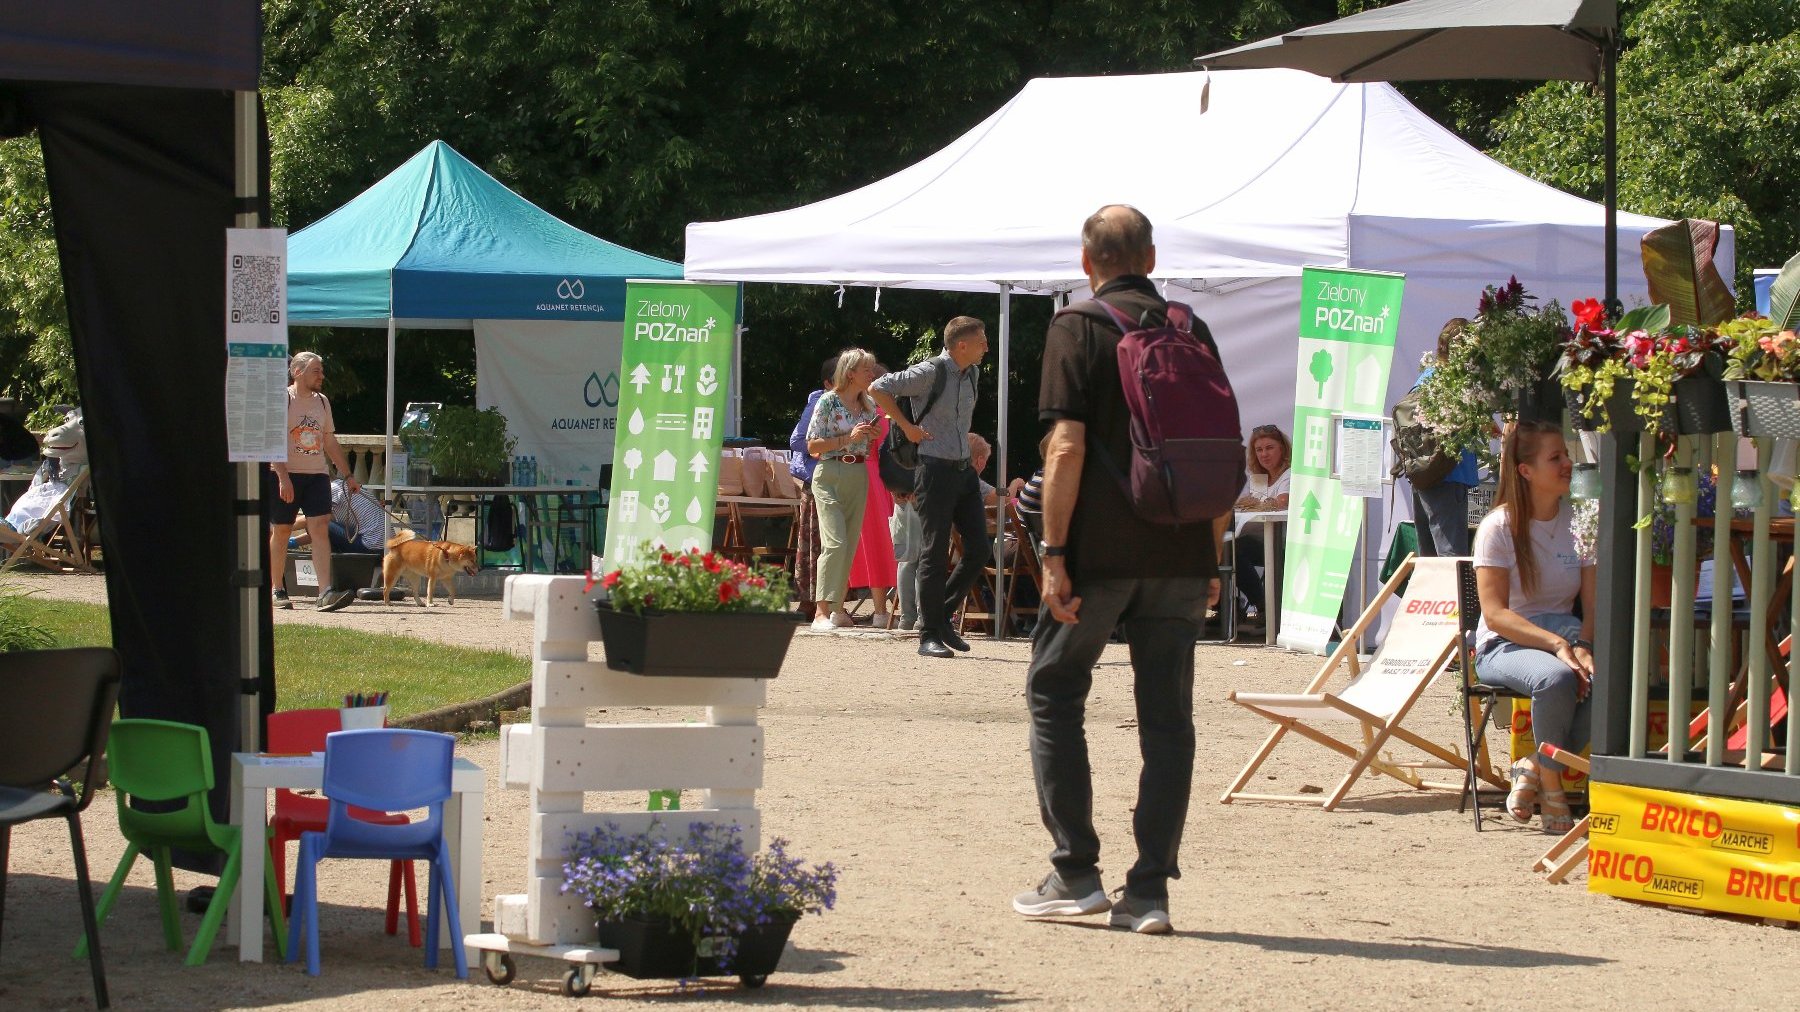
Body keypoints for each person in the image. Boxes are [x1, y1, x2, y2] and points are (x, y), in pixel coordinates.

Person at [1012, 204, 1219, 935]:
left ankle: (1074, 873)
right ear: (1152, 259)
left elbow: (1064, 448)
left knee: (1054, 690)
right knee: (1168, 721)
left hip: (1101, 552)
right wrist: (1211, 554)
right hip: (1182, 551)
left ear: (1085, 260)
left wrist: (1054, 555)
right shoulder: (1190, 329)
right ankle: (1150, 891)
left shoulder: (1079, 326)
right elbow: (1209, 447)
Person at [1473, 418, 1595, 836]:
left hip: (1566, 636)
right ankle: (1554, 788)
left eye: (1566, 455)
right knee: (1557, 678)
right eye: (1556, 457)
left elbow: (1592, 607)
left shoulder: (1581, 520)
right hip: (1504, 646)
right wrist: (1560, 644)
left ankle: (1534, 766)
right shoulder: (1498, 527)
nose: (1567, 464)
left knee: (1608, 680)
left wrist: (1585, 645)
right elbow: (1495, 615)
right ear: (1525, 471)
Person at [870, 316, 990, 659]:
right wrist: (906, 426)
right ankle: (928, 633)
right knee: (934, 552)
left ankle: (939, 618)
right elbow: (879, 387)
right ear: (961, 345)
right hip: (934, 470)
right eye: (981, 340)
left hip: (964, 470)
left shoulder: (974, 373)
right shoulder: (930, 371)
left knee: (980, 549)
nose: (986, 347)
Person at [269, 352, 359, 612]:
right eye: (316, 371)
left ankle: (325, 591)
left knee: (319, 527)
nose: (322, 375)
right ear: (297, 372)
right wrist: (283, 477)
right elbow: (272, 440)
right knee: (282, 529)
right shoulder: (283, 399)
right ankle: (277, 588)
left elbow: (329, 440)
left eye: (321, 370)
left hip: (317, 474)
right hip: (284, 473)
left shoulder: (322, 402)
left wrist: (349, 475)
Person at [806, 349, 882, 632]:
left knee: (848, 544)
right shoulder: (827, 401)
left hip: (857, 473)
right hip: (830, 473)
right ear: (850, 372)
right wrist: (847, 438)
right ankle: (820, 612)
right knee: (835, 543)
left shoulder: (869, 406)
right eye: (866, 370)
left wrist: (869, 437)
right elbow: (813, 446)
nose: (871, 374)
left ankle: (836, 609)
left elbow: (865, 446)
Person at [1410, 319, 1483, 557]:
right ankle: (1452, 595)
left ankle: (1436, 595)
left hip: (1424, 472)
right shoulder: (1455, 381)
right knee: (1451, 557)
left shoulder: (1428, 377)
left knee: (1430, 559)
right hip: (1448, 474)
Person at [789, 354, 839, 617]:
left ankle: (834, 603)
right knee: (816, 542)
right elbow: (798, 441)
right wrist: (830, 448)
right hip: (818, 480)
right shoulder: (819, 402)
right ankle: (811, 602)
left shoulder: (859, 403)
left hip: (845, 479)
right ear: (830, 382)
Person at [848, 366, 897, 628]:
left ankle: (835, 609)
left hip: (846, 475)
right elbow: (888, 453)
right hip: (873, 480)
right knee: (878, 542)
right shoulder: (878, 414)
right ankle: (880, 610)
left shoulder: (847, 412)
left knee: (845, 544)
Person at [1232, 424, 1292, 627]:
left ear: (1282, 448)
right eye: (1259, 450)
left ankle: (1263, 607)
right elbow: (1251, 505)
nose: (1264, 454)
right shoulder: (1258, 478)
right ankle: (1230, 607)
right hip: (1260, 541)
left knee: (1235, 550)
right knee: (1225, 549)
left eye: (1269, 448)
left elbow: (1282, 502)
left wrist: (1253, 504)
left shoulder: (1290, 474)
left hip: (1283, 545)